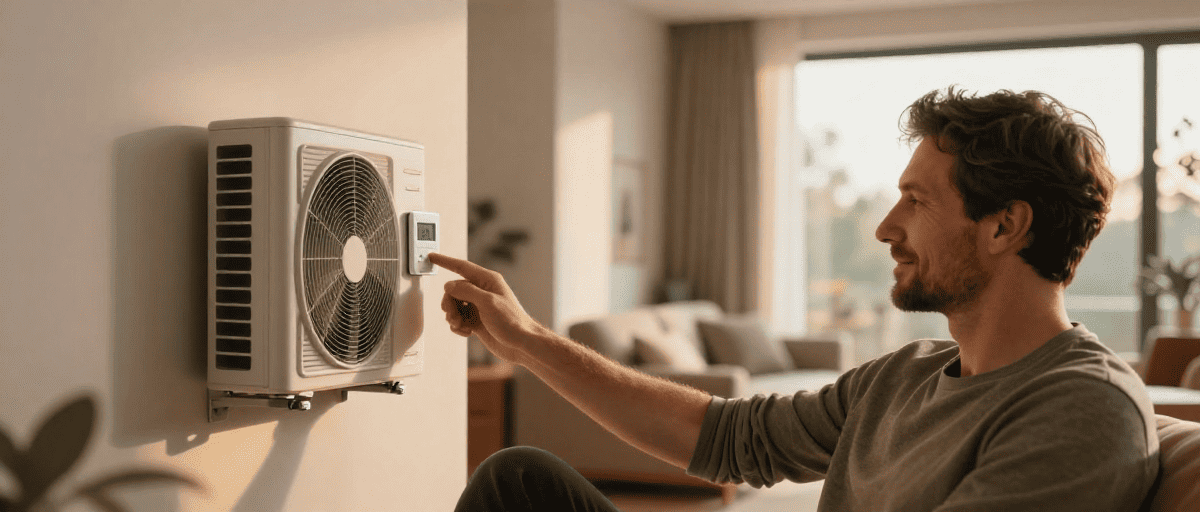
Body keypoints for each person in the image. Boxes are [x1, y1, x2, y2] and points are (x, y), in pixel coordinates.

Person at [432, 87, 1159, 512]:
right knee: (519, 482)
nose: (886, 228)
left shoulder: (1080, 405)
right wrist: (525, 340)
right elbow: (723, 437)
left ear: (1004, 226)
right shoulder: (903, 375)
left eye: (916, 201)